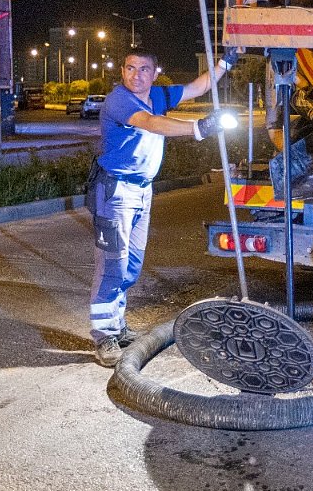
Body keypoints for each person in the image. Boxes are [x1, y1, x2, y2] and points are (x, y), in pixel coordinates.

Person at [88, 47, 238, 367]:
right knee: (113, 263)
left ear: (155, 72)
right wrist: (198, 128)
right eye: (130, 68)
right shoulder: (119, 100)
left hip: (142, 192)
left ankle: (117, 326)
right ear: (122, 70)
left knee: (132, 265)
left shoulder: (157, 94)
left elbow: (198, 87)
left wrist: (227, 61)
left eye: (144, 69)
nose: (136, 75)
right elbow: (151, 123)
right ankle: (103, 337)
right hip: (114, 191)